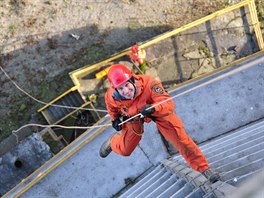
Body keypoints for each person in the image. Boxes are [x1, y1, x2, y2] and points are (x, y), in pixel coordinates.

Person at [99, 64, 220, 183]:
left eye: (127, 85)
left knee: (181, 140)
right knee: (125, 149)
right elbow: (111, 105)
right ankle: (113, 141)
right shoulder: (113, 95)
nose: (126, 91)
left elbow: (168, 105)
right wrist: (114, 118)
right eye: (120, 88)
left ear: (132, 80)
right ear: (115, 89)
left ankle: (204, 169)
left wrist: (153, 108)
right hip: (133, 116)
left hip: (155, 109)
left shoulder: (150, 84)